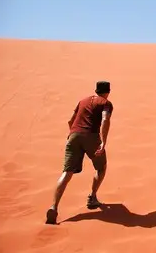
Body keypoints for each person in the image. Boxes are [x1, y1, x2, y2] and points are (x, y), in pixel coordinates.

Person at [46, 81, 114, 225]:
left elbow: (70, 121)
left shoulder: (83, 101)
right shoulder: (106, 103)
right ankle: (92, 197)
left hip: (74, 136)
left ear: (96, 90)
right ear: (107, 92)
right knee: (101, 168)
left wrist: (72, 135)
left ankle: (54, 206)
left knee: (66, 172)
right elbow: (105, 120)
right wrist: (103, 142)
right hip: (91, 136)